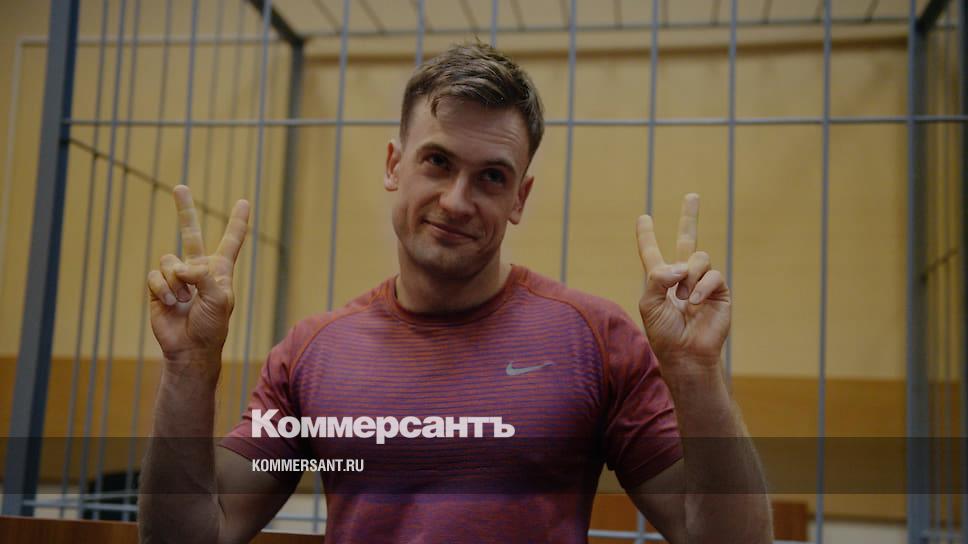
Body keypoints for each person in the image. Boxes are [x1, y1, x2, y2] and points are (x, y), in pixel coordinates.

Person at [139, 42, 772, 543]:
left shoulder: (596, 341)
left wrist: (696, 371)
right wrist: (188, 366)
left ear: (519, 197)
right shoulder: (314, 352)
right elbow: (193, 532)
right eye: (438, 162)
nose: (457, 201)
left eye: (491, 176)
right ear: (395, 164)